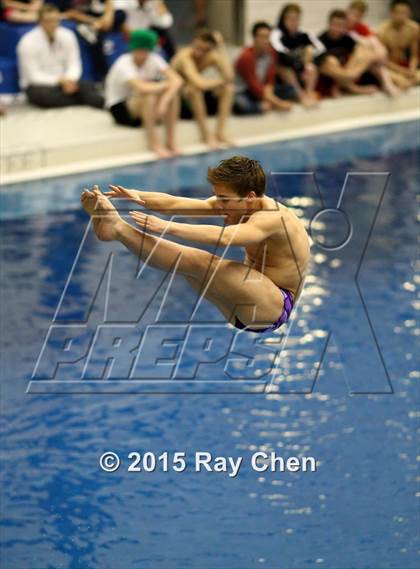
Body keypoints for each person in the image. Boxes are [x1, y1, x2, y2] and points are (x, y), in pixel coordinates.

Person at [80, 156, 310, 333]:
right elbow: (176, 204)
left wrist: (168, 227)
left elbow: (228, 237)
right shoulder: (237, 203)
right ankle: (116, 228)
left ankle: (118, 228)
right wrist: (134, 195)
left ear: (250, 196)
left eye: (224, 199)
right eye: (216, 196)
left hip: (273, 306)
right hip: (242, 306)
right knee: (186, 265)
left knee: (203, 261)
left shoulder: (273, 218)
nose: (218, 205)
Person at [105, 28, 182, 158]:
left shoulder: (154, 58)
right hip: (120, 109)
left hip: (142, 105)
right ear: (133, 49)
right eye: (140, 50)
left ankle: (170, 141)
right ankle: (154, 144)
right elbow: (142, 88)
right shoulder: (123, 63)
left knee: (173, 96)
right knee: (150, 95)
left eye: (146, 50)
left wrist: (164, 101)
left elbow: (178, 80)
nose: (143, 54)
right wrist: (166, 86)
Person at [17, 4, 104, 108]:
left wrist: (69, 80)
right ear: (40, 22)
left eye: (55, 20)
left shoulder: (68, 35)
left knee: (87, 86)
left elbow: (74, 63)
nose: (52, 24)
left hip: (66, 81)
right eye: (48, 20)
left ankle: (98, 102)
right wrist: (59, 81)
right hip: (40, 85)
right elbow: (33, 75)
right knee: (45, 96)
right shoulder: (27, 42)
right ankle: (83, 99)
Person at [171, 29, 234, 149]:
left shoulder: (211, 56)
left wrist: (221, 47)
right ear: (193, 43)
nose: (199, 53)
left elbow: (229, 76)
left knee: (228, 89)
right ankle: (206, 136)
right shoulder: (184, 57)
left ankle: (220, 133)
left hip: (193, 94)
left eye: (205, 50)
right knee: (194, 89)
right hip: (177, 100)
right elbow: (198, 83)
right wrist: (221, 82)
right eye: (197, 47)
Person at [316, 9, 380, 97]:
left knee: (362, 50)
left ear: (344, 26)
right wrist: (347, 74)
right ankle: (354, 88)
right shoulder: (321, 39)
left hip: (348, 73)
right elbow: (320, 64)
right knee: (330, 61)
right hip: (329, 76)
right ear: (329, 24)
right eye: (334, 24)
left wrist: (352, 71)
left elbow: (362, 55)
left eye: (340, 25)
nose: (337, 28)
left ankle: (340, 84)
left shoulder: (347, 38)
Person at [270, 3, 323, 107]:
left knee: (309, 51)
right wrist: (301, 66)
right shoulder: (276, 34)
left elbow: (322, 50)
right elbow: (281, 55)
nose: (293, 22)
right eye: (290, 19)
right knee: (283, 67)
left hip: (300, 71)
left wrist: (307, 65)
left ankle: (308, 93)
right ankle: (301, 96)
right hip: (282, 76)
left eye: (296, 19)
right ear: (283, 19)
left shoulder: (304, 34)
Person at [234, 21, 292, 115]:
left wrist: (269, 95)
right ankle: (260, 106)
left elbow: (270, 80)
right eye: (262, 37)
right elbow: (254, 86)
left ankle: (266, 103)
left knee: (289, 89)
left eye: (268, 37)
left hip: (262, 88)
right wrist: (279, 103)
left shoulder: (271, 53)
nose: (266, 41)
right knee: (242, 106)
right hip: (245, 91)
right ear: (254, 38)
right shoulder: (246, 57)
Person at [346, 0, 401, 96]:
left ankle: (387, 84)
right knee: (364, 48)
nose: (354, 18)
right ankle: (387, 83)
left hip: (367, 62)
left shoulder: (361, 27)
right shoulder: (341, 24)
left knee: (375, 51)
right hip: (350, 61)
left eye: (359, 16)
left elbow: (379, 48)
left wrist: (379, 53)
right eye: (353, 14)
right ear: (347, 11)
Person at [62, 0, 126, 77]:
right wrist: (93, 21)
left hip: (97, 24)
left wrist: (101, 22)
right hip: (84, 23)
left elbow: (107, 24)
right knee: (93, 36)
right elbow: (71, 14)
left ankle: (106, 74)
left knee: (120, 15)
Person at [377, 0, 420, 89]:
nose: (401, 16)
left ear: (409, 14)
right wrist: (403, 72)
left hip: (405, 66)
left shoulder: (414, 28)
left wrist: (412, 68)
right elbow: (383, 61)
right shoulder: (383, 31)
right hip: (388, 68)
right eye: (398, 12)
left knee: (416, 77)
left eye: (404, 13)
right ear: (391, 13)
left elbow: (414, 55)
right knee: (403, 83)